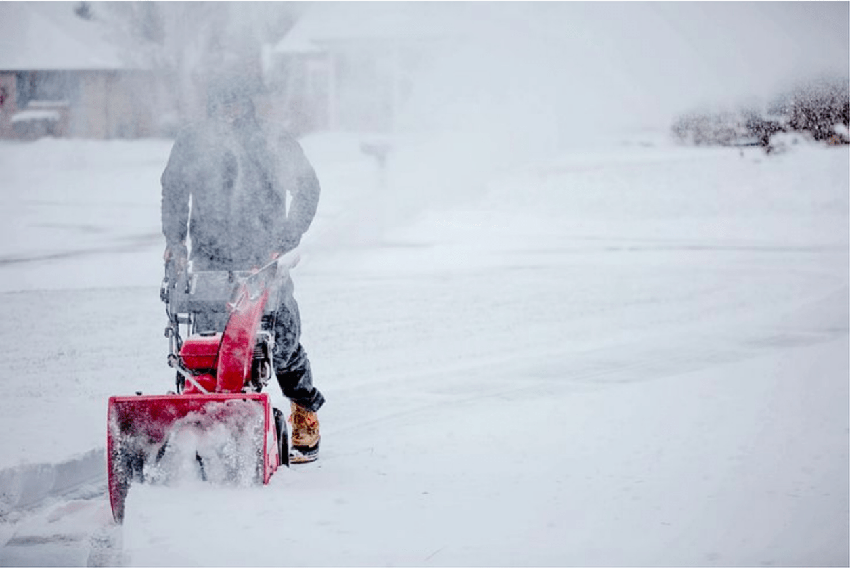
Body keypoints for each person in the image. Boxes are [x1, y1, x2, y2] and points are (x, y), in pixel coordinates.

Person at [160, 76, 324, 463]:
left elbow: (307, 188)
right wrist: (174, 242)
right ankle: (201, 420)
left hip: (263, 258)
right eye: (220, 106)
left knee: (280, 341)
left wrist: (283, 241)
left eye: (234, 106)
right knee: (208, 347)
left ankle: (304, 410)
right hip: (210, 259)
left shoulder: (271, 140)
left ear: (247, 105)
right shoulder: (193, 142)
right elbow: (173, 189)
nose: (228, 114)